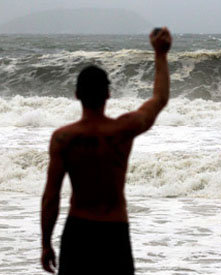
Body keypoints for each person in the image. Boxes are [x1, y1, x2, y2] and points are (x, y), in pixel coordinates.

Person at [41, 28, 172, 274]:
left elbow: (51, 197)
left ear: (77, 94)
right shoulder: (122, 130)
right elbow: (159, 99)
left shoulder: (63, 139)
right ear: (108, 94)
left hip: (78, 232)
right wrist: (160, 54)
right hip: (114, 233)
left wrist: (46, 244)